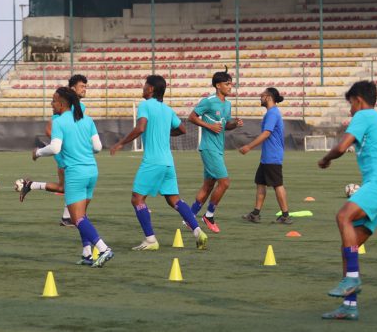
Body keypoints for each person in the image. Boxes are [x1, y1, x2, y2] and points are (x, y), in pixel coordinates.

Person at [317, 81, 377, 321]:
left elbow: (342, 146)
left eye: (350, 105)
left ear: (358, 100)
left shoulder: (364, 115)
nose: (350, 111)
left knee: (343, 216)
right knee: (349, 246)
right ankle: (349, 305)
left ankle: (352, 279)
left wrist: (326, 159)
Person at [110, 75, 208, 251]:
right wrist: (164, 132)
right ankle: (198, 232)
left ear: (151, 89)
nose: (143, 87)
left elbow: (140, 127)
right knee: (174, 200)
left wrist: (120, 143)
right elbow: (182, 129)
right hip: (168, 162)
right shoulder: (167, 110)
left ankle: (150, 240)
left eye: (145, 85)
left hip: (153, 162)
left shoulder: (145, 105)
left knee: (137, 199)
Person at [31, 87, 112, 267]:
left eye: (53, 101)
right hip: (92, 171)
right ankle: (87, 254)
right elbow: (98, 147)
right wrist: (82, 151)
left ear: (61, 104)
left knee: (76, 218)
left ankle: (103, 248)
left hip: (75, 173)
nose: (51, 104)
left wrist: (38, 152)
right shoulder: (88, 120)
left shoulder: (59, 122)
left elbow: (55, 148)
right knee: (82, 216)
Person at [20, 74, 87, 227]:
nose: (85, 89)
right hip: (66, 154)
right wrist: (64, 142)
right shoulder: (65, 108)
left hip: (70, 152)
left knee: (66, 186)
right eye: (82, 86)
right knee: (74, 185)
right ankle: (73, 217)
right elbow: (50, 129)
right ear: (72, 89)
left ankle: (31, 185)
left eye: (85, 86)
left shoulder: (78, 107)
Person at [187, 69, 243, 233]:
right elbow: (192, 117)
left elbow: (225, 126)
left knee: (208, 185)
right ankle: (209, 215)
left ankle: (189, 217)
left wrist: (235, 123)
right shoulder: (209, 101)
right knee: (224, 182)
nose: (230, 86)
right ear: (218, 85)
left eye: (231, 83)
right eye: (227, 83)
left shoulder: (227, 104)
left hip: (218, 148)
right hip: (208, 148)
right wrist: (209, 125)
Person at [239, 87, 292, 224]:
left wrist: (249, 147)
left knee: (277, 185)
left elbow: (266, 133)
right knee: (260, 183)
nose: (260, 96)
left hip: (272, 156)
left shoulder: (272, 113)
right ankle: (255, 214)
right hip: (267, 156)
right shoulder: (271, 113)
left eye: (262, 94)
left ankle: (285, 215)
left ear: (268, 97)